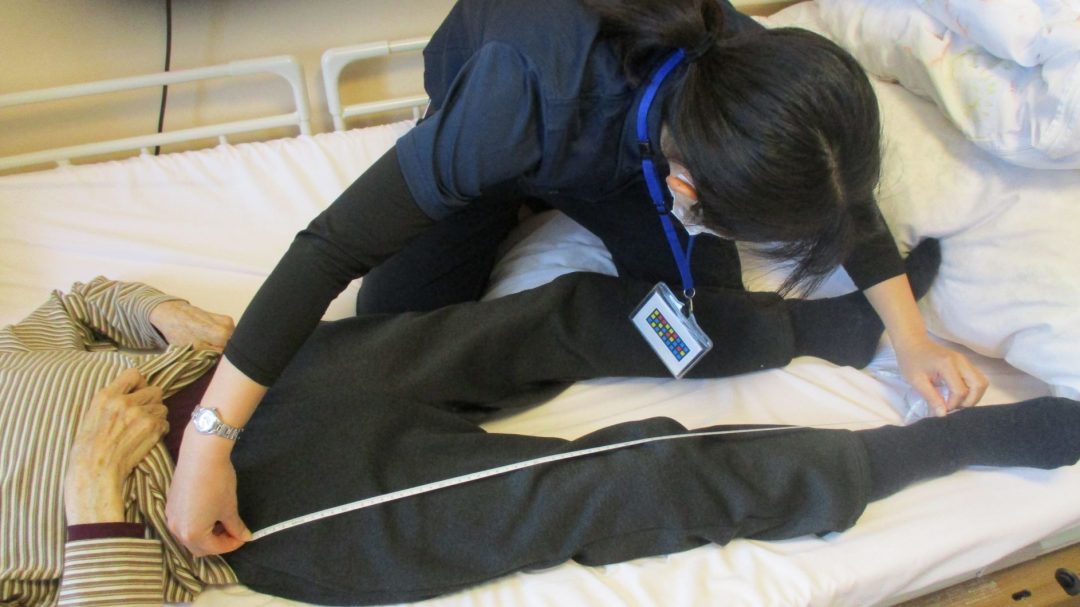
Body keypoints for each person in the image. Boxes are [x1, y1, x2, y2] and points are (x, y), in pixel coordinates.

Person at [168, 0, 990, 558]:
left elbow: (830, 183)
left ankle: (836, 331)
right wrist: (209, 441)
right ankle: (512, 198)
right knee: (390, 324)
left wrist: (910, 336)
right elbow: (327, 248)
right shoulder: (511, 106)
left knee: (698, 323)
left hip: (634, 141)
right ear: (688, 189)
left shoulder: (749, 66)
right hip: (503, 131)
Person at [3, 277, 1077, 606]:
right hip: (240, 509)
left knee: (553, 314)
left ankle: (806, 329)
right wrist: (93, 495)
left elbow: (74, 305)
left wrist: (160, 317)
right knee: (598, 482)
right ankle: (925, 451)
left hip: (244, 382)